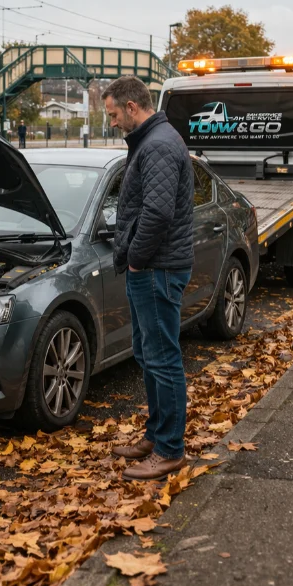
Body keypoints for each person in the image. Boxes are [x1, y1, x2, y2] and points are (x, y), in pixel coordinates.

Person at [102, 75, 195, 481]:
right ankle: (157, 436)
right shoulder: (153, 140)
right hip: (153, 266)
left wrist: (136, 259)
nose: (112, 122)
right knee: (149, 355)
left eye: (113, 114)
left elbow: (157, 214)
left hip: (156, 268)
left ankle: (170, 450)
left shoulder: (156, 146)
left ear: (132, 108)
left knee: (162, 359)